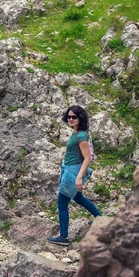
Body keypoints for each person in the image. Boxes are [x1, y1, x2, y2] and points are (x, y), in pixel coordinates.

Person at [47, 105, 102, 246]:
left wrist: (79, 177)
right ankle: (99, 219)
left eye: (74, 117)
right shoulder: (77, 132)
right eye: (69, 117)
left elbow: (87, 158)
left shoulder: (81, 135)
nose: (70, 119)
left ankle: (64, 237)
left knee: (62, 203)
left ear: (80, 118)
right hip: (70, 170)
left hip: (73, 173)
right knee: (78, 198)